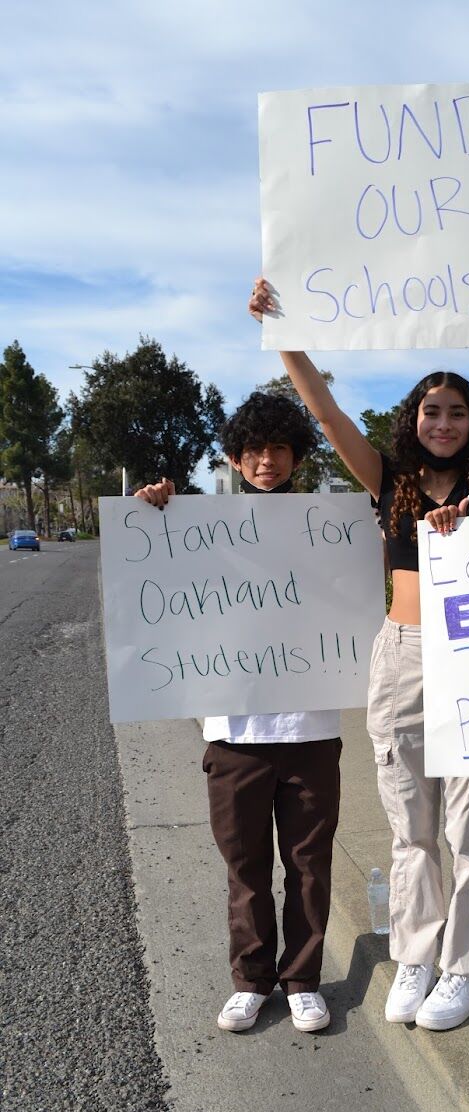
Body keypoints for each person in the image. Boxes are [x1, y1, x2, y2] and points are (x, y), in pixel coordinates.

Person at [249, 259, 469, 1031]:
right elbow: (330, 415)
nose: (443, 423)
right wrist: (284, 340)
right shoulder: (388, 477)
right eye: (431, 411)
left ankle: (465, 969)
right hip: (403, 653)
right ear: (413, 417)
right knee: (411, 825)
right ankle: (416, 954)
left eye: (456, 412)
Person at [135, 391, 340, 1035]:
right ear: (234, 457)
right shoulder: (200, 525)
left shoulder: (330, 524)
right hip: (234, 732)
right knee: (245, 865)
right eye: (254, 449)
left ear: (297, 457)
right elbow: (155, 584)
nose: (267, 460)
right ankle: (252, 980)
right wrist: (148, 516)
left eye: (280, 447)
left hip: (312, 727)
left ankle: (302, 978)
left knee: (309, 864)